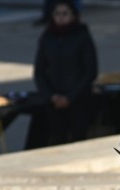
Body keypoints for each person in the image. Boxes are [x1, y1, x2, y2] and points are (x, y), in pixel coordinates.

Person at [33, 0, 97, 146]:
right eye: (57, 14)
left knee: (78, 140)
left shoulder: (82, 36)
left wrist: (70, 97)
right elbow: (39, 72)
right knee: (57, 140)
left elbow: (90, 71)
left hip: (78, 100)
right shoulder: (47, 37)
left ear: (73, 16)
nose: (60, 17)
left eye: (65, 14)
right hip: (53, 102)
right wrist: (51, 96)